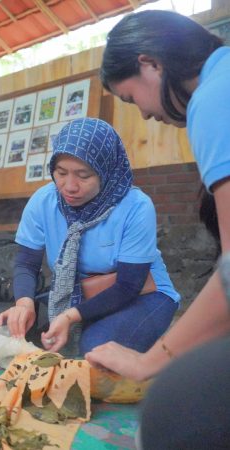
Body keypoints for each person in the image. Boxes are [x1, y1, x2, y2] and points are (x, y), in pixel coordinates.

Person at [83, 11, 230, 449]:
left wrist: (153, 359)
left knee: (173, 409)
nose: (145, 114)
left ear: (151, 64)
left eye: (131, 99)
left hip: (151, 299)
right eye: (62, 174)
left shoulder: (214, 97)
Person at [0, 118, 179, 357]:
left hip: (142, 294)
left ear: (106, 171)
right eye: (61, 173)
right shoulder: (44, 201)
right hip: (82, 292)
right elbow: (26, 264)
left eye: (83, 175)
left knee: (96, 350)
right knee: (18, 334)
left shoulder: (136, 207)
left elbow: (129, 286)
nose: (69, 186)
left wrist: (70, 316)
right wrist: (24, 304)